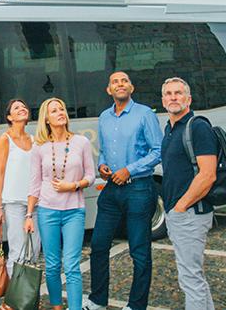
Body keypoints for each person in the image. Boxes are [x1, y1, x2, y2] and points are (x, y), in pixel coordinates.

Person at [83, 72, 162, 310]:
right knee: (98, 246)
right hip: (111, 190)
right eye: (115, 82)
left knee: (139, 251)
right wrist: (102, 166)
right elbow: (105, 150)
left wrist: (129, 170)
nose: (120, 84)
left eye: (124, 81)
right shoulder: (104, 117)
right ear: (109, 90)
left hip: (139, 188)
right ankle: (98, 300)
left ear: (132, 88)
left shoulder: (145, 114)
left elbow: (158, 150)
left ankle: (136, 305)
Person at [24, 98, 95, 310]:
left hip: (74, 210)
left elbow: (91, 176)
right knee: (53, 265)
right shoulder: (39, 148)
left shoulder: (81, 142)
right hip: (47, 211)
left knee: (72, 265)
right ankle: (56, 306)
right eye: (54, 111)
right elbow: (34, 183)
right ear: (46, 118)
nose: (60, 112)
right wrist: (29, 215)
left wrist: (72, 185)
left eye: (62, 108)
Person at [161, 77, 217, 310]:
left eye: (178, 93)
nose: (174, 97)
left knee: (190, 279)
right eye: (169, 94)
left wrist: (181, 207)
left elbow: (208, 175)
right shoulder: (170, 128)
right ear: (163, 101)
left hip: (191, 213)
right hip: (179, 213)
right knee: (194, 276)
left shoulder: (198, 127)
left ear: (188, 99)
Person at [0, 99, 40, 278]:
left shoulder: (35, 140)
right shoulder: (5, 139)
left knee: (34, 251)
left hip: (34, 204)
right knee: (17, 252)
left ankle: (27, 294)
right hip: (13, 203)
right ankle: (15, 298)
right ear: (9, 117)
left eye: (24, 106)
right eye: (16, 108)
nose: (22, 109)